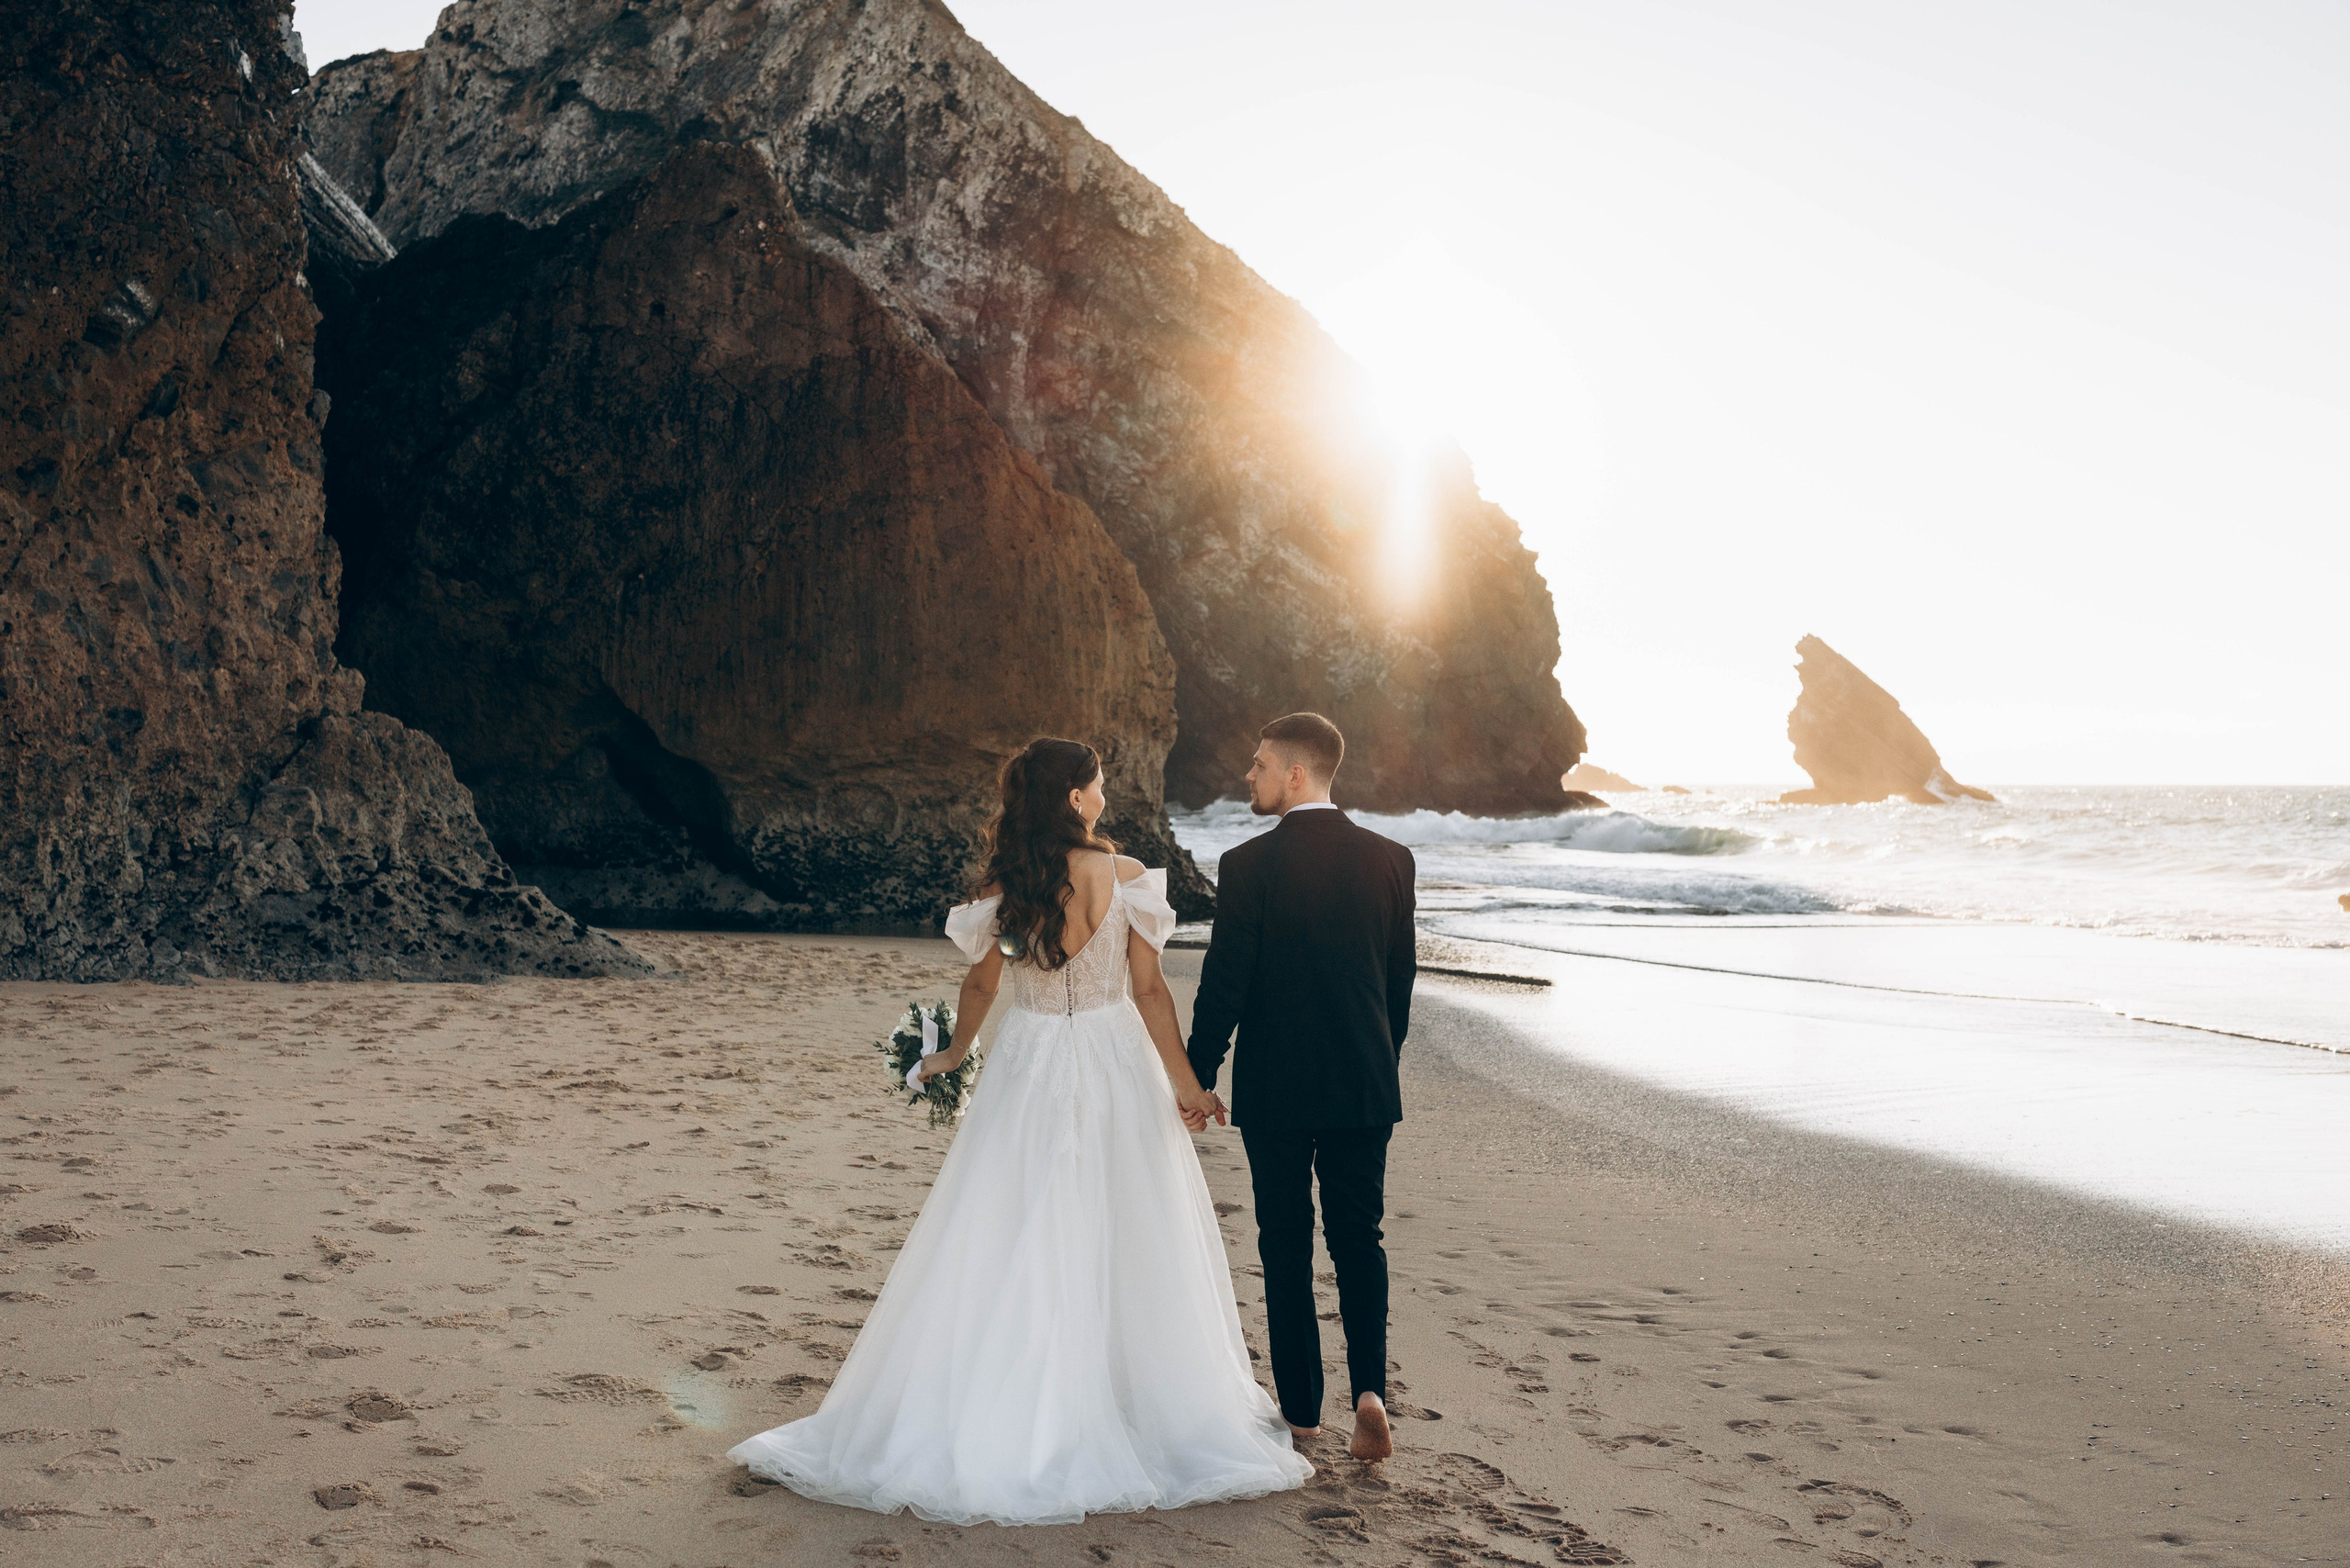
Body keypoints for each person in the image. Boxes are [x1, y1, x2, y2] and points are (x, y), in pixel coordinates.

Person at [726, 737, 1311, 1525]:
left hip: (1030, 1061)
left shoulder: (1013, 884)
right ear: (1074, 796)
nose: (1104, 795)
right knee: (1130, 1225)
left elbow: (983, 982)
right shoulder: (1129, 880)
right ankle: (1126, 1400)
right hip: (1114, 1060)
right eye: (1097, 785)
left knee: (1011, 1219)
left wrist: (951, 1055)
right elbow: (1148, 992)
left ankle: (1017, 1393)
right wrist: (1190, 1089)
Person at [1185, 712, 1416, 1462]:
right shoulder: (1392, 859)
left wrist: (1197, 1076)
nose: (1247, 776)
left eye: (1258, 765)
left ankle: (1303, 1414)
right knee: (1359, 1238)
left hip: (1276, 1087)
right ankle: (1371, 1393)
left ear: (1295, 773)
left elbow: (1226, 983)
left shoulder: (1248, 865)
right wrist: (1378, 1062)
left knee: (1284, 1242)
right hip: (1363, 1082)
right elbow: (1398, 985)